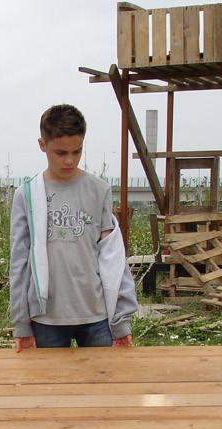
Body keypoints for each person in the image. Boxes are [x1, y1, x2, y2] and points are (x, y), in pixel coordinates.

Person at [9, 104, 138, 351]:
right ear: (42, 145)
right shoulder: (26, 195)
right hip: (46, 318)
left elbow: (113, 258)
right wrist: (21, 324)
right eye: (60, 152)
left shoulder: (99, 190)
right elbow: (19, 263)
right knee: (49, 388)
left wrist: (121, 321)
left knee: (101, 385)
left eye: (77, 151)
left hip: (96, 316)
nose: (69, 160)